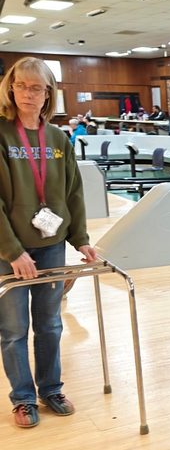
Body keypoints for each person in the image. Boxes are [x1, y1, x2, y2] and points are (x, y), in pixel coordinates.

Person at [0, 57, 99, 429]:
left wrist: (82, 240)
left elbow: (72, 193)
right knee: (12, 329)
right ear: (11, 89)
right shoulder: (1, 134)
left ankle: (50, 389)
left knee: (50, 324)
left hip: (51, 244)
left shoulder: (57, 139)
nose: (29, 93)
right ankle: (23, 398)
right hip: (9, 252)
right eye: (22, 85)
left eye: (37, 87)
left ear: (48, 94)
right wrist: (12, 252)